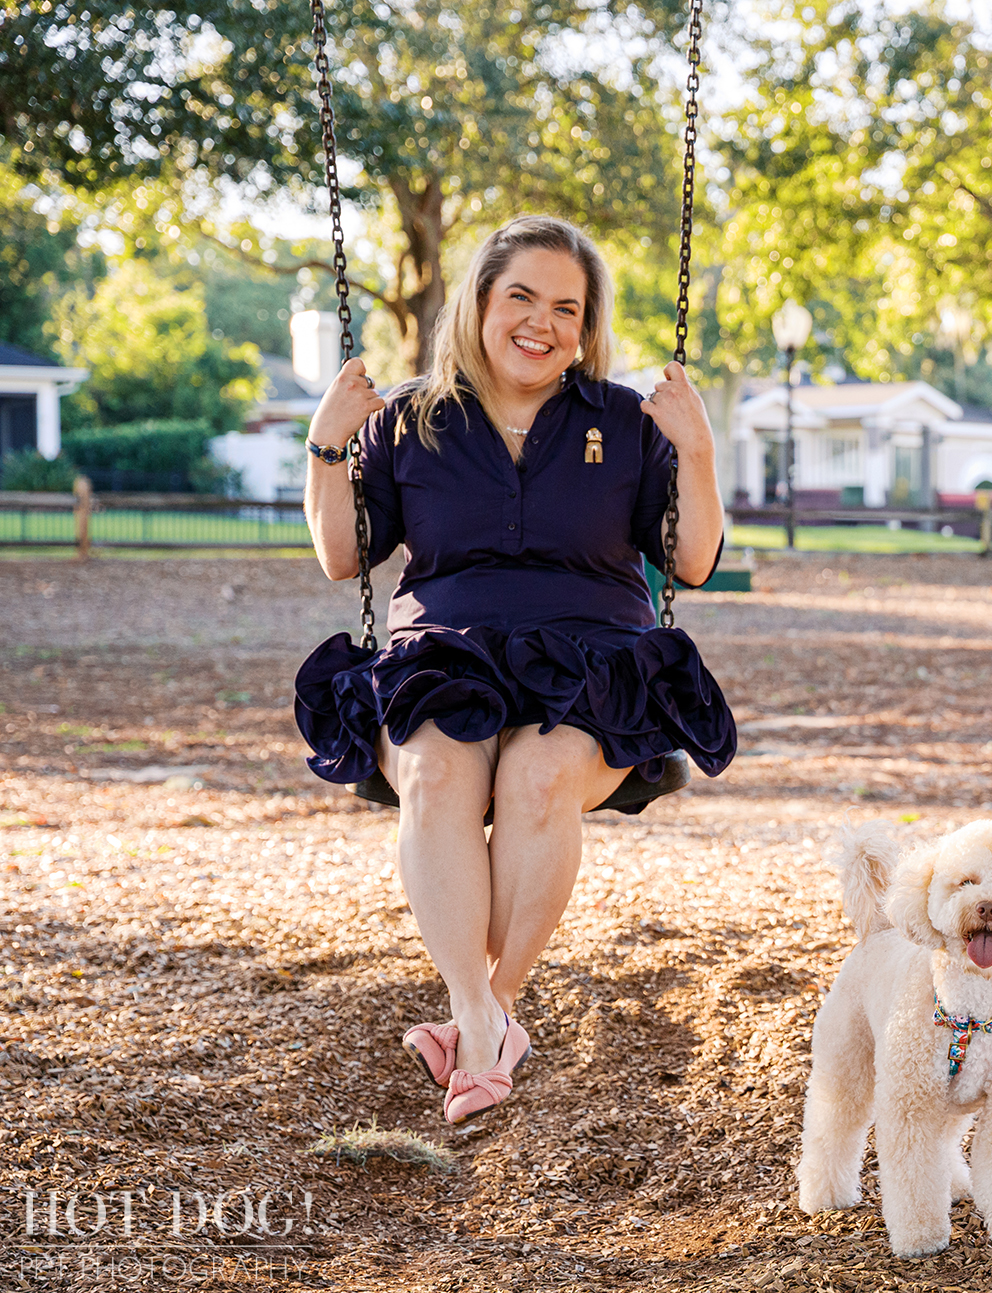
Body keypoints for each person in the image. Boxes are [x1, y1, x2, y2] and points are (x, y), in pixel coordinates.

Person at [295, 215, 736, 1124]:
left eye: (566, 308)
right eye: (522, 297)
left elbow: (690, 562)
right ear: (482, 303)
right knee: (435, 768)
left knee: (536, 779)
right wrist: (327, 446)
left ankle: (492, 1013)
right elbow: (346, 556)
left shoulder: (625, 421)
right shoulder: (414, 418)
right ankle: (480, 1016)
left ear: (587, 324)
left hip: (592, 661)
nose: (543, 323)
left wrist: (695, 447)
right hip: (445, 652)